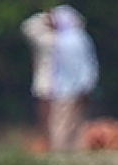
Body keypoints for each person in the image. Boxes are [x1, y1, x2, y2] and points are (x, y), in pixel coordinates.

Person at [46, 5, 97, 153]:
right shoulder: (81, 38)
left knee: (60, 122)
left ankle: (59, 149)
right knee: (78, 121)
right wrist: (87, 84)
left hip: (63, 88)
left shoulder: (60, 40)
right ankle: (76, 148)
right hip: (80, 87)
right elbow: (88, 63)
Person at [21, 10, 57, 149]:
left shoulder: (50, 39)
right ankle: (48, 143)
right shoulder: (46, 38)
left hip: (55, 84)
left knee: (52, 119)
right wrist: (47, 18)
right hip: (46, 83)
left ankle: (52, 143)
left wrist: (44, 18)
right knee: (46, 117)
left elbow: (28, 27)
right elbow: (27, 27)